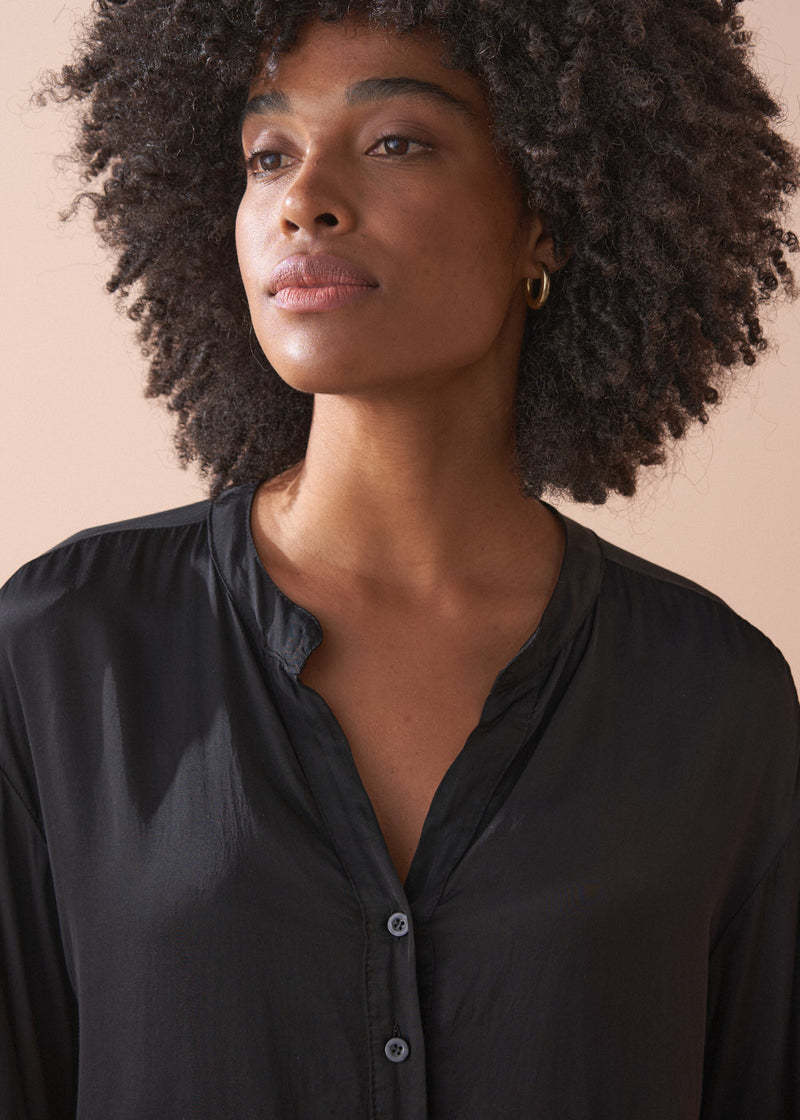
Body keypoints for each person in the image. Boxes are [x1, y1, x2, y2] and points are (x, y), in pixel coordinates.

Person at [1, 0, 798, 1116]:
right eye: (266, 152)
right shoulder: (66, 649)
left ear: (547, 216)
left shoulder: (715, 698)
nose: (303, 198)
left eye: (395, 143)